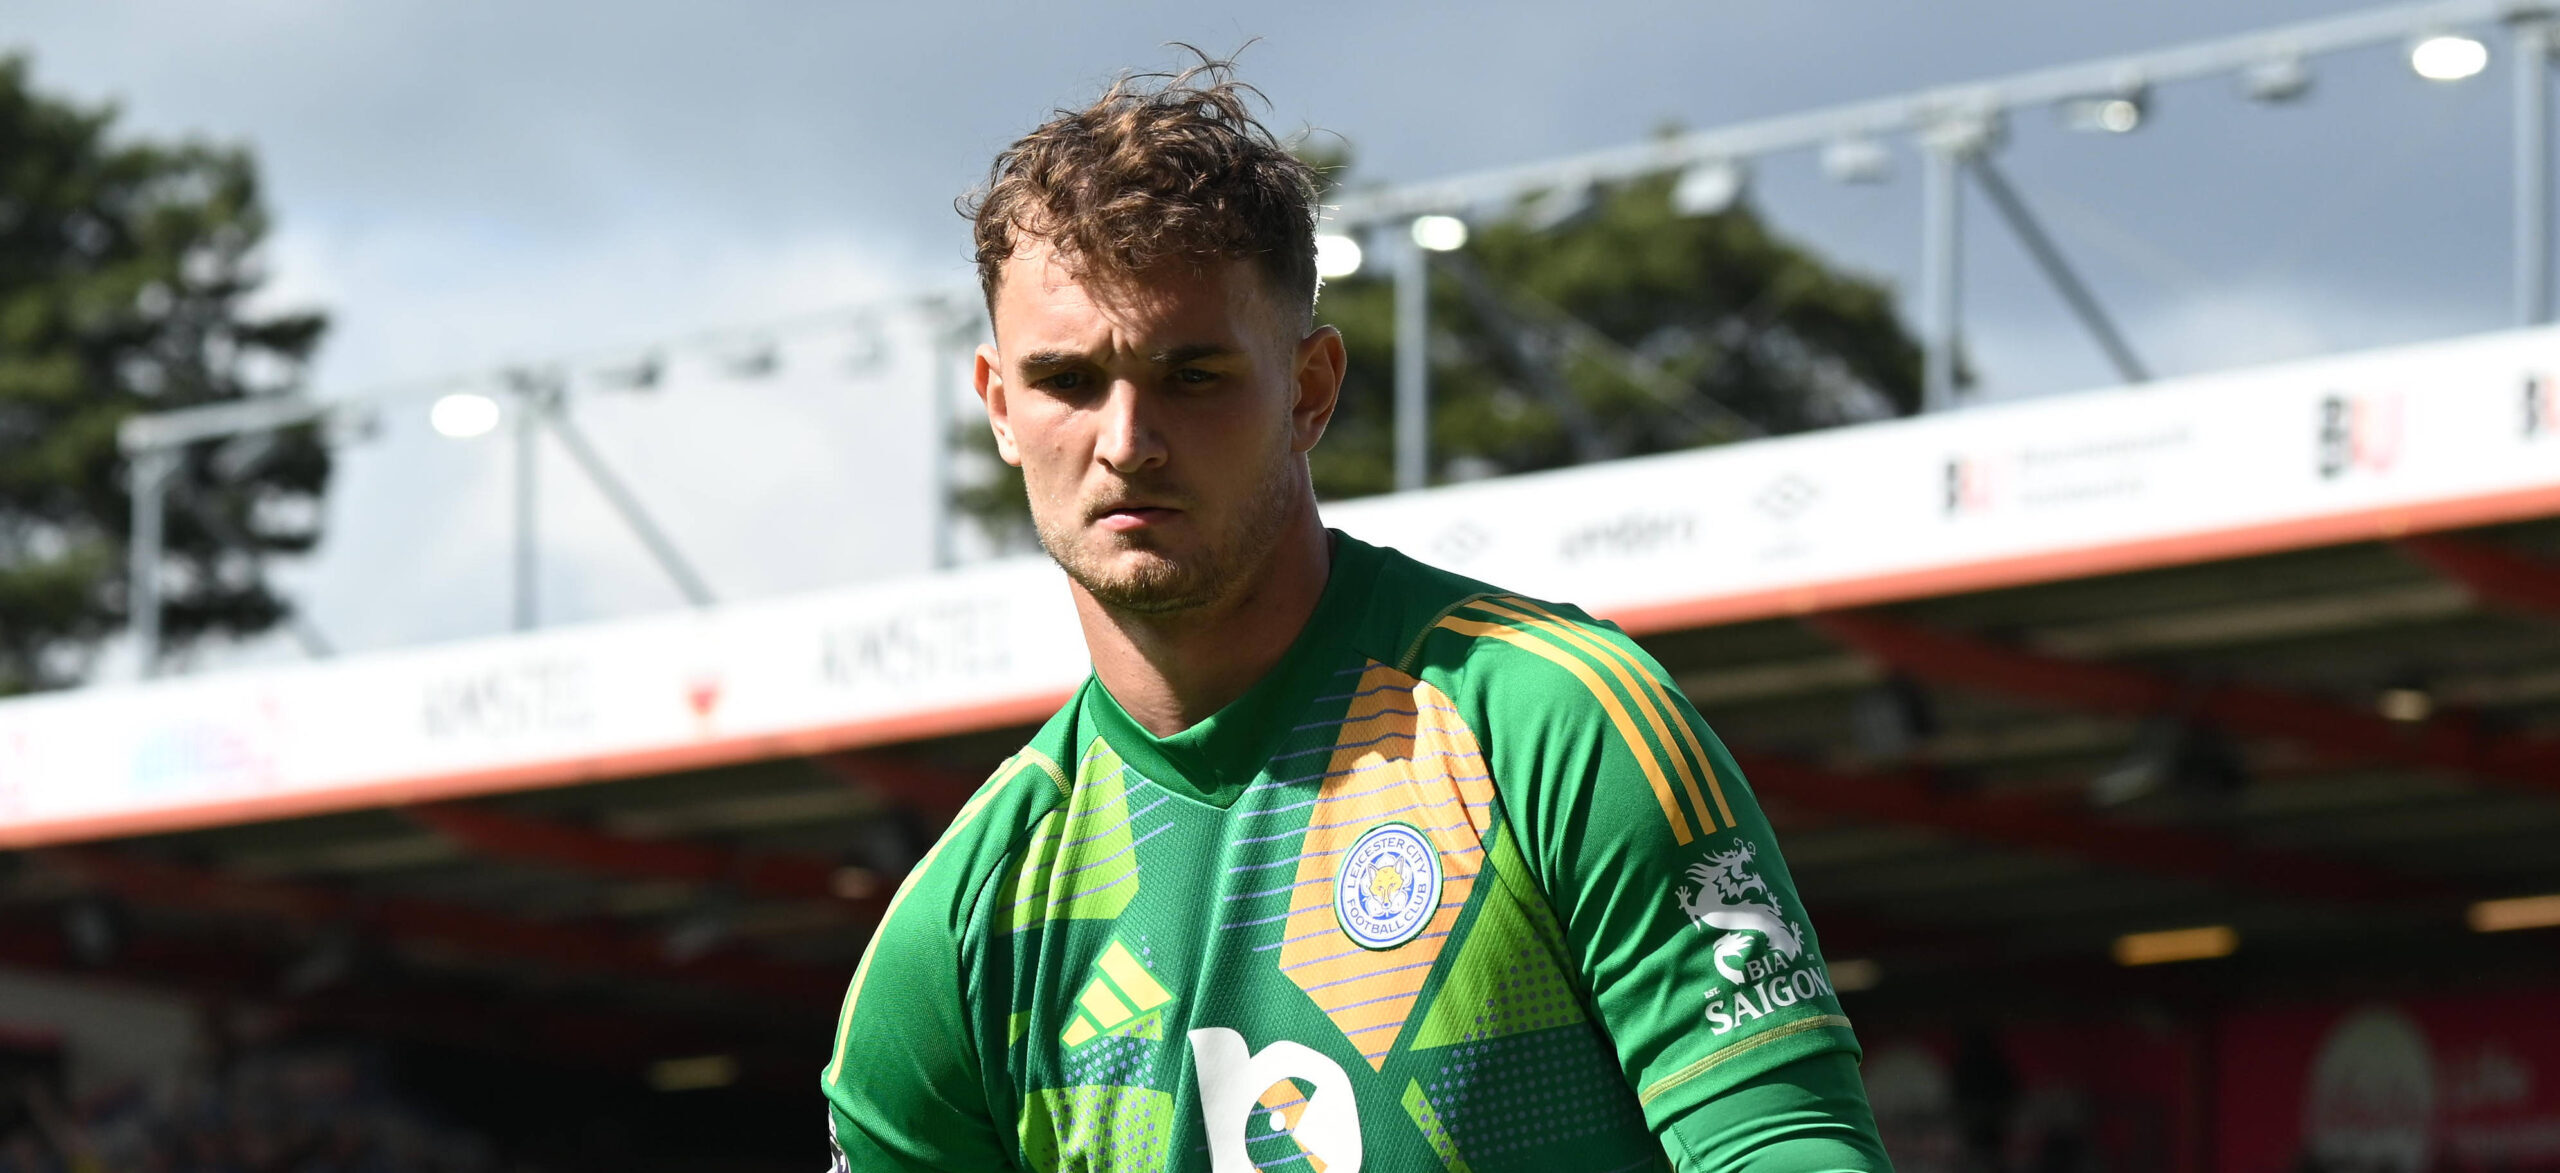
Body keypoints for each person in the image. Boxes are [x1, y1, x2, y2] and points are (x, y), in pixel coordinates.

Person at [821, 56, 1891, 1173]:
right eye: (1070, 382)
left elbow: (1786, 1148)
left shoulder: (1549, 724)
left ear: (1310, 390)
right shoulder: (961, 931)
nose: (1125, 441)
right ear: (1001, 407)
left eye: (1192, 377)